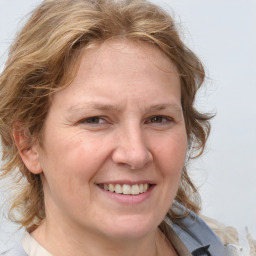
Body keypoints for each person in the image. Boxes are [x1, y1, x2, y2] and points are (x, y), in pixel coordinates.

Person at [0, 0, 250, 255]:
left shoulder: (225, 246)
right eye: (95, 120)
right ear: (28, 145)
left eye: (158, 119)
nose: (136, 154)